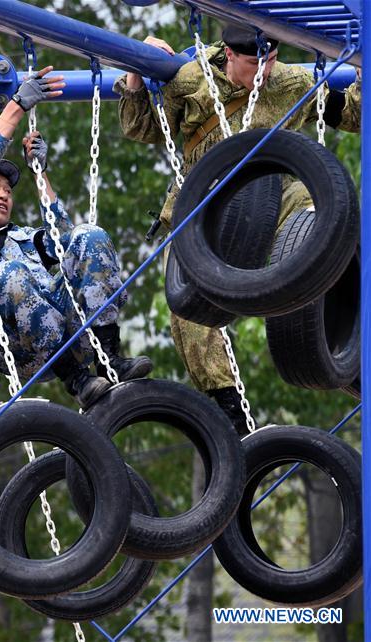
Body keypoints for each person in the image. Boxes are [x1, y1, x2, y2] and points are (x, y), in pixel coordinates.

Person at [115, 23, 361, 433]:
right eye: (253, 63)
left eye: (270, 59)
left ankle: (345, 319)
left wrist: (359, 74)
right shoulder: (188, 79)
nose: (263, 71)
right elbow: (142, 130)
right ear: (229, 54)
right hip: (210, 204)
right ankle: (228, 408)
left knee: (315, 209)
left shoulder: (291, 82)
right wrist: (136, 74)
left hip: (277, 193)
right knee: (192, 308)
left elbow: (348, 115)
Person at [0, 67, 152, 414]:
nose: (4, 194)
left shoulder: (23, 238)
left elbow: (67, 243)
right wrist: (16, 107)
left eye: (8, 190)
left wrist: (39, 173)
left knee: (88, 235)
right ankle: (75, 380)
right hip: (16, 344)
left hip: (64, 332)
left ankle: (108, 356)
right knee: (9, 274)